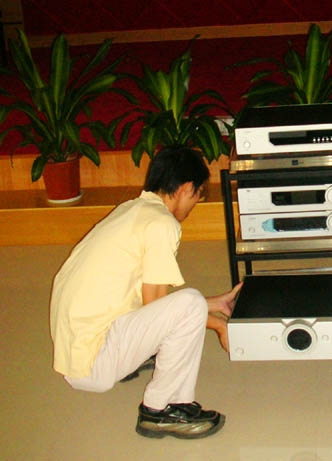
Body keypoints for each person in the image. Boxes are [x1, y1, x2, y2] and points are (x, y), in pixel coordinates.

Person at [50, 146, 241, 439]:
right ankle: (162, 409)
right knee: (189, 302)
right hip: (93, 365)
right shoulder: (162, 224)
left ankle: (139, 364)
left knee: (189, 305)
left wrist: (214, 303)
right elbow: (157, 305)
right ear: (186, 188)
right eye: (198, 194)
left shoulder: (131, 210)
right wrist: (219, 326)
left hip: (75, 353)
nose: (195, 202)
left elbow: (148, 298)